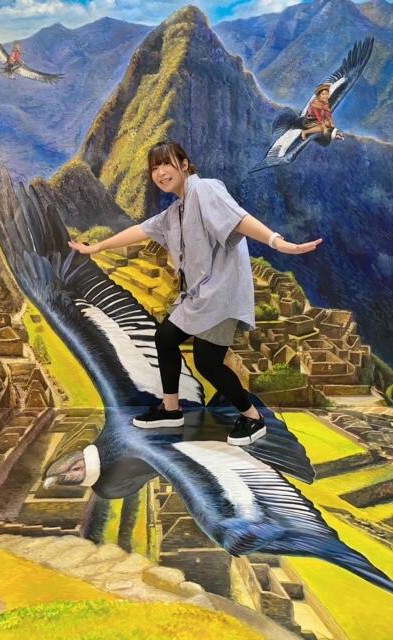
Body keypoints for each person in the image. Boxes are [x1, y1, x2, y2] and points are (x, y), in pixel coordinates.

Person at [68, 141, 322, 445]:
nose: (160, 172)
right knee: (165, 338)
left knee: (207, 363)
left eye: (167, 163)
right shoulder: (176, 211)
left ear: (185, 164)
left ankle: (253, 418)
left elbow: (239, 218)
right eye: (155, 168)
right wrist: (97, 247)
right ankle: (171, 409)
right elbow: (141, 230)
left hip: (221, 294)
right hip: (199, 296)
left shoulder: (205, 190)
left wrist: (277, 241)